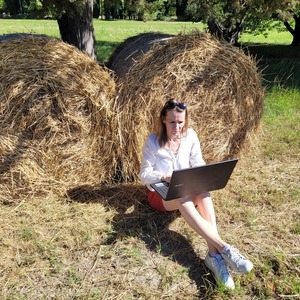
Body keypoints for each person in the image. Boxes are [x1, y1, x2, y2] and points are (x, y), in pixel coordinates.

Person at [139, 99, 253, 289]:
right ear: (163, 120)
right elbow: (144, 175)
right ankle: (225, 248)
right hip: (160, 195)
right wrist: (164, 176)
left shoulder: (190, 135)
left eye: (181, 122)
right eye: (173, 122)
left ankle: (214, 257)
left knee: (202, 191)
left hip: (184, 186)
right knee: (182, 195)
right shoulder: (152, 141)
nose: (177, 127)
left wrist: (202, 176)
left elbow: (198, 162)